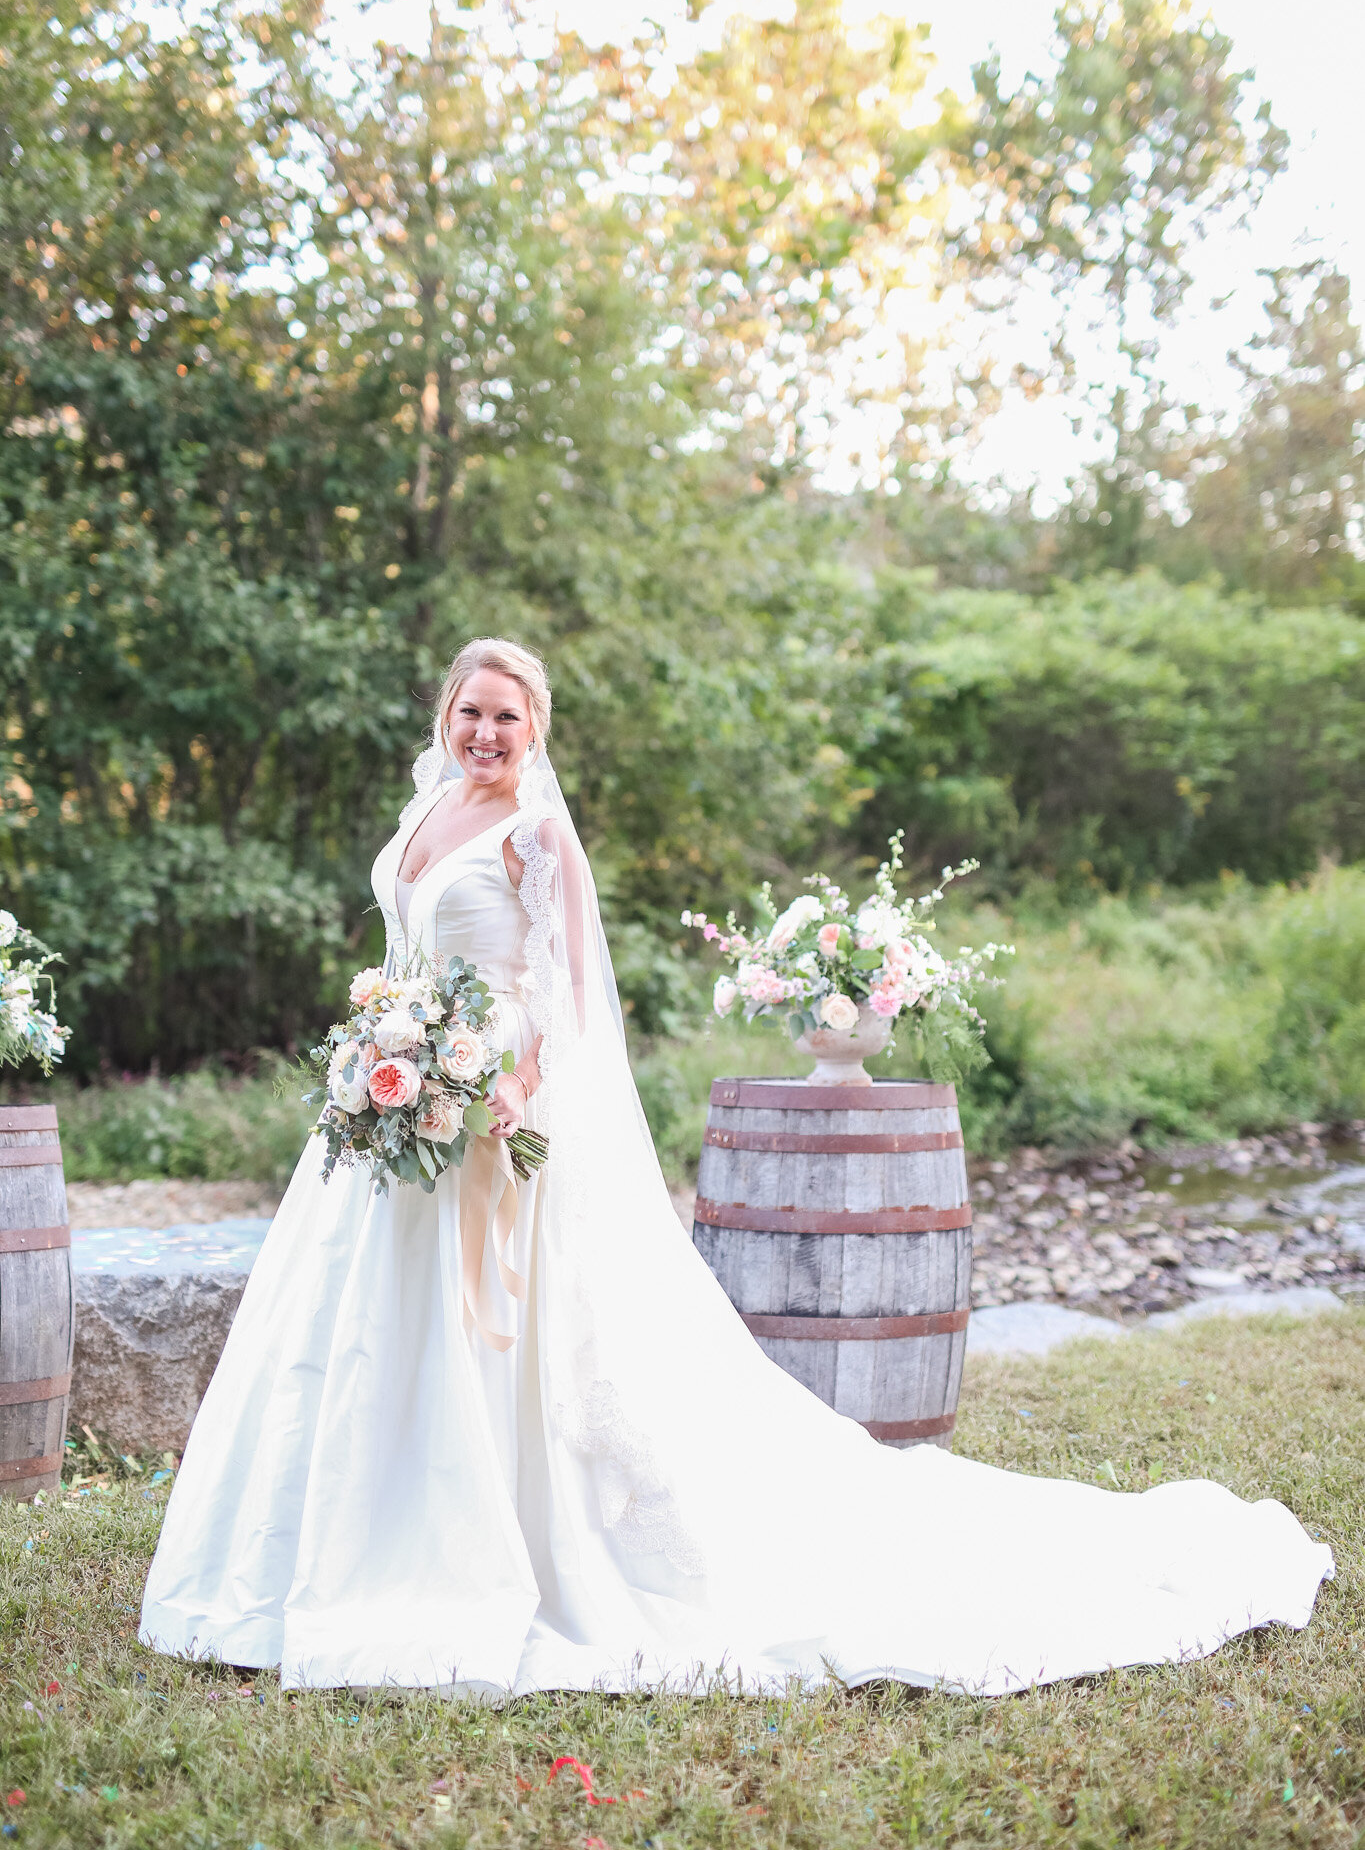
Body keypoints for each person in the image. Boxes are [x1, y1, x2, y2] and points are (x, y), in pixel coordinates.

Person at [140, 637, 1333, 1696]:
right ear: (443, 717)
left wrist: (504, 1085)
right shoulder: (421, 817)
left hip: (489, 1104)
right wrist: (382, 1047)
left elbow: (562, 990)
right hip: (392, 1099)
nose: (487, 734)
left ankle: (487, 1550)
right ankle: (335, 1543)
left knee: (491, 1335)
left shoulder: (536, 829)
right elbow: (401, 951)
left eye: (509, 717)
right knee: (354, 1327)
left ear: (537, 728)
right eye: (470, 713)